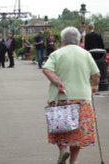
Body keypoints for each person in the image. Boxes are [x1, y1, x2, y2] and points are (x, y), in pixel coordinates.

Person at [42, 26, 100, 164]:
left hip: (60, 98)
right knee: (77, 133)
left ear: (63, 40)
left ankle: (63, 149)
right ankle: (73, 161)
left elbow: (47, 69)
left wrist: (58, 83)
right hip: (82, 99)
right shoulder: (86, 54)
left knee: (59, 127)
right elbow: (96, 75)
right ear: (78, 39)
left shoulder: (57, 54)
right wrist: (93, 87)